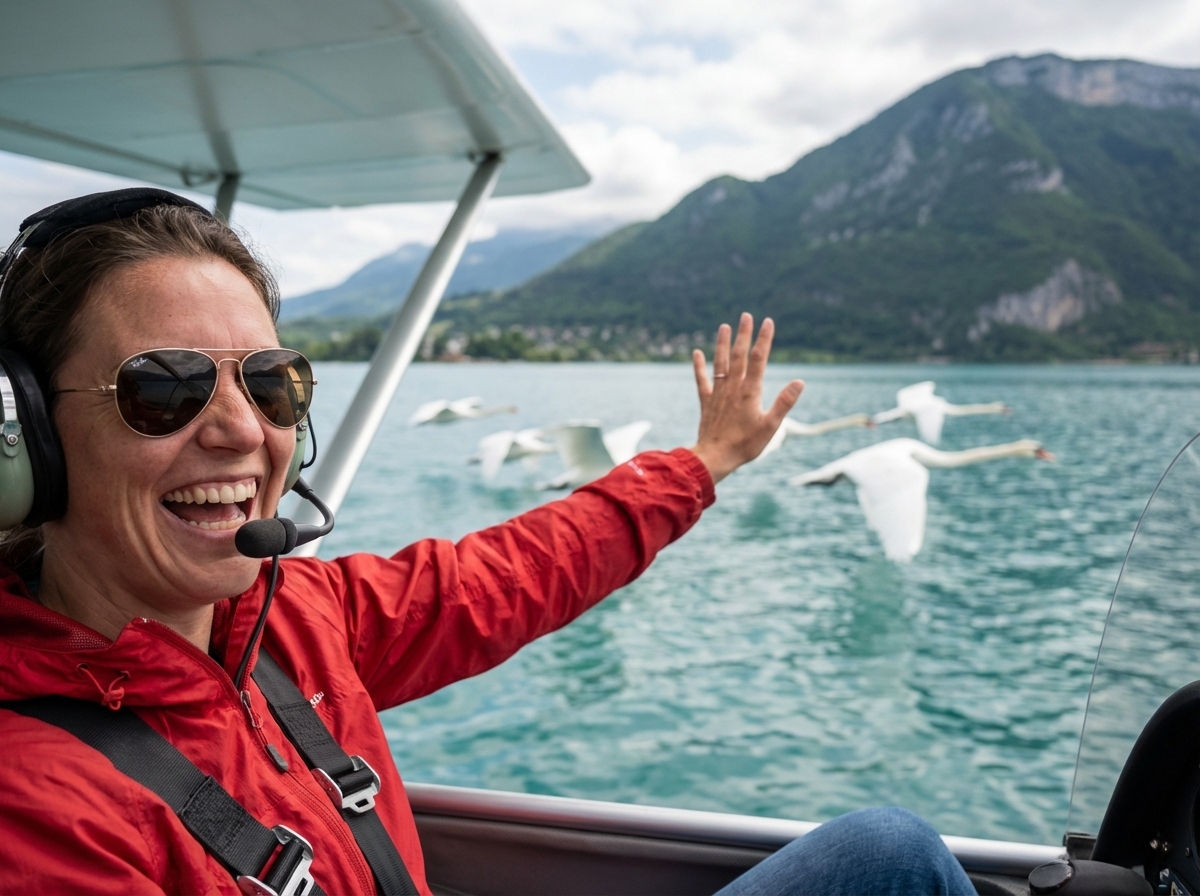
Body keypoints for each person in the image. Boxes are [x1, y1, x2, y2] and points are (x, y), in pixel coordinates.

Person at [0, 189, 974, 895]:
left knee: (891, 851)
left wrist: (703, 463)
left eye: (269, 383)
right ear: (28, 439)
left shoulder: (297, 621)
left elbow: (519, 569)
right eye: (162, 388)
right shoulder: (39, 810)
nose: (240, 430)